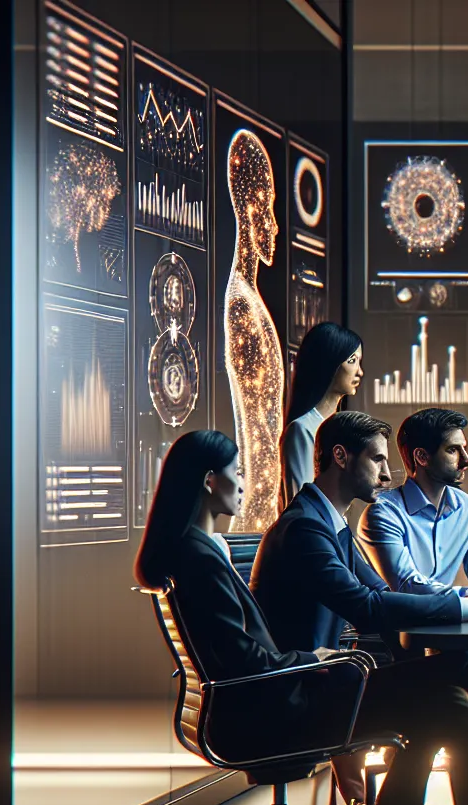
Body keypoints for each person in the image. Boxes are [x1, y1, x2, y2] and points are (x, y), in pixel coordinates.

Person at [135, 430, 468, 805]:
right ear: (207, 481)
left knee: (452, 692)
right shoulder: (262, 539)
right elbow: (248, 657)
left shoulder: (301, 529)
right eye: (235, 471)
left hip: (286, 690)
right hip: (277, 705)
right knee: (453, 685)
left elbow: (381, 595)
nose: (243, 481)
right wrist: (317, 656)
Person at [358, 408, 468, 718]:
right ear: (422, 457)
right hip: (393, 633)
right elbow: (408, 586)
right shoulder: (382, 513)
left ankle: (444, 742)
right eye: (454, 450)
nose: (466, 460)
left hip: (446, 629)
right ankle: (447, 745)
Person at [223, 128, 285, 535]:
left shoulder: (250, 299)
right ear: (249, 209)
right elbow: (259, 430)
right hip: (257, 519)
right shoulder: (242, 303)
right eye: (269, 209)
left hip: (265, 513)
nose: (275, 227)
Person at [280, 321, 364, 510]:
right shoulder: (303, 429)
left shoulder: (341, 429)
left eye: (359, 361)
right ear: (329, 363)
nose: (360, 372)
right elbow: (300, 504)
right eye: (351, 361)